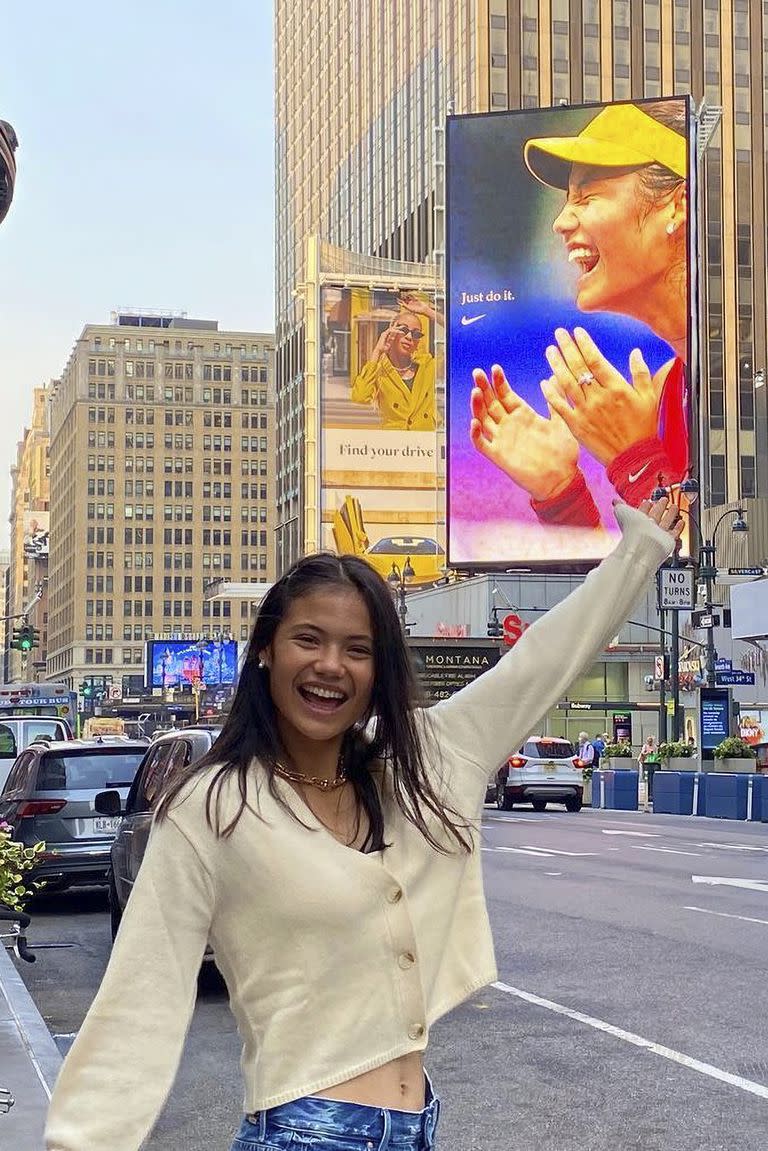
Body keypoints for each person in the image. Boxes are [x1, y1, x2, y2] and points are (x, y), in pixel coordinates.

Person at [45, 497, 681, 1151]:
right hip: (301, 1132)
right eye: (308, 639)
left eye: (358, 649)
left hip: (414, 1127)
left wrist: (641, 547)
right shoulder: (213, 807)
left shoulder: (421, 765)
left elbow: (539, 665)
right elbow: (139, 1001)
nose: (330, 665)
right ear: (267, 648)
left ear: (379, 672)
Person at [470, 101, 689, 528]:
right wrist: (560, 494)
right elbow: (653, 589)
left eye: (587, 196)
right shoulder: (671, 391)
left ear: (677, 206)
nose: (561, 221)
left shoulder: (740, 385)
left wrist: (635, 457)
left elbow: (728, 567)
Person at [351, 294, 441, 430]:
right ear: (390, 331)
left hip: (424, 445)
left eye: (416, 334)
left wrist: (427, 311)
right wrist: (377, 352)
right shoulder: (379, 370)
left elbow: (462, 332)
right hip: (394, 446)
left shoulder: (428, 365)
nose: (409, 337)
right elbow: (359, 397)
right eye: (403, 330)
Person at [638, 734, 662, 805]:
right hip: (647, 764)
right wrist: (647, 753)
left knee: (653, 780)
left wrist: (654, 753)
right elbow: (642, 754)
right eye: (649, 741)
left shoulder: (655, 747)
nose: (650, 742)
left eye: (651, 741)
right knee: (648, 780)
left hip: (654, 764)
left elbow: (657, 754)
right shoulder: (645, 746)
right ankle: (648, 795)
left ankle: (652, 794)